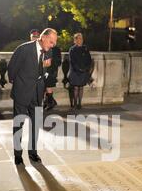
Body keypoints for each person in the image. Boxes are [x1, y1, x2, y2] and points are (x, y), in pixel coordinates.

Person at [8, 28, 58, 166]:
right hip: (22, 93)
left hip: (37, 94)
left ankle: (33, 152)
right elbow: (12, 69)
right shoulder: (23, 49)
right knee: (18, 124)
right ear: (43, 37)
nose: (53, 45)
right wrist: (20, 85)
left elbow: (46, 71)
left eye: (54, 43)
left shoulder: (49, 51)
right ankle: (18, 155)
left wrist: (47, 92)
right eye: (51, 41)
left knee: (35, 125)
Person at [68, 33, 92, 110]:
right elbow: (72, 61)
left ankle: (79, 104)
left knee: (81, 87)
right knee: (75, 88)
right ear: (75, 40)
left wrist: (86, 69)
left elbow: (89, 60)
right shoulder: (72, 49)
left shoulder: (85, 49)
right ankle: (75, 104)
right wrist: (79, 69)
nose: (80, 40)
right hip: (75, 71)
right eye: (78, 38)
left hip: (84, 71)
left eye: (81, 38)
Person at [43, 45, 62, 111]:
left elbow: (59, 62)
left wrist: (51, 62)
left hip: (51, 71)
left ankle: (50, 103)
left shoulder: (56, 49)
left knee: (48, 86)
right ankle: (48, 101)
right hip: (44, 71)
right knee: (44, 86)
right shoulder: (44, 46)